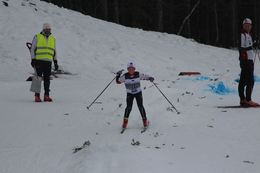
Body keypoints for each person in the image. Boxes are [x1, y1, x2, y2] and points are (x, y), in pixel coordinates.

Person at [116, 62, 154, 129]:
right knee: (128, 107)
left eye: (132, 68)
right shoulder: (125, 76)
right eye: (129, 68)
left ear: (134, 69)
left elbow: (144, 76)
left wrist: (150, 78)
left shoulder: (138, 74)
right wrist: (118, 75)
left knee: (140, 106)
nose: (131, 70)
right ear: (128, 69)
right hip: (129, 94)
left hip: (138, 93)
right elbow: (118, 81)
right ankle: (125, 123)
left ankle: (145, 122)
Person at [30, 23, 59, 102]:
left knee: (47, 79)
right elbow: (32, 49)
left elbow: (54, 51)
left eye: (49, 29)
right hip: (38, 61)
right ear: (43, 29)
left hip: (48, 62)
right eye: (46, 29)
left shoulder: (53, 38)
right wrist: (33, 59)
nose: (48, 30)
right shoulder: (37, 36)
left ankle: (46, 96)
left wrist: (55, 61)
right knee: (37, 78)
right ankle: (37, 96)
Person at [238, 18, 259, 107]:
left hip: (249, 60)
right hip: (246, 60)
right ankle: (248, 100)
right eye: (246, 25)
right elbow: (242, 48)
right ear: (243, 26)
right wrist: (252, 46)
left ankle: (243, 99)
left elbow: (248, 46)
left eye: (249, 25)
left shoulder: (248, 35)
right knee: (250, 81)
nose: (247, 27)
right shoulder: (242, 35)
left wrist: (254, 44)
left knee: (243, 80)